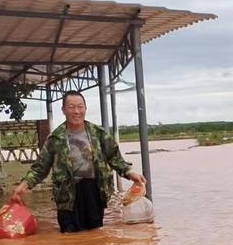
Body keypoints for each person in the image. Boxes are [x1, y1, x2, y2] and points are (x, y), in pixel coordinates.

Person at [10, 91, 145, 233]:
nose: (76, 111)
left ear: (85, 109)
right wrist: (24, 186)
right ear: (63, 110)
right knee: (69, 238)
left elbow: (114, 157)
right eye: (71, 107)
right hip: (66, 195)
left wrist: (130, 173)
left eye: (80, 107)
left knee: (95, 236)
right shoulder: (55, 138)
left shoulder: (98, 133)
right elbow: (40, 168)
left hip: (94, 192)